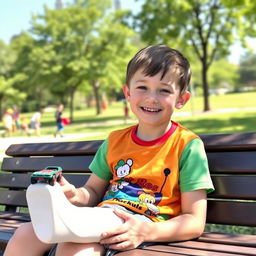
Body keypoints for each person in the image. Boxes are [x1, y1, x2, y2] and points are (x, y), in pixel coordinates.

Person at [4, 44, 214, 256]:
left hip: (142, 227)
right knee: (25, 234)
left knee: (74, 249)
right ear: (128, 93)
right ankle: (62, 220)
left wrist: (147, 231)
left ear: (181, 99)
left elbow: (194, 221)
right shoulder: (115, 141)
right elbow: (93, 192)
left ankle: (65, 223)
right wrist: (74, 195)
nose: (152, 97)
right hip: (101, 218)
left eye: (164, 90)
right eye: (143, 87)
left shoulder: (187, 145)